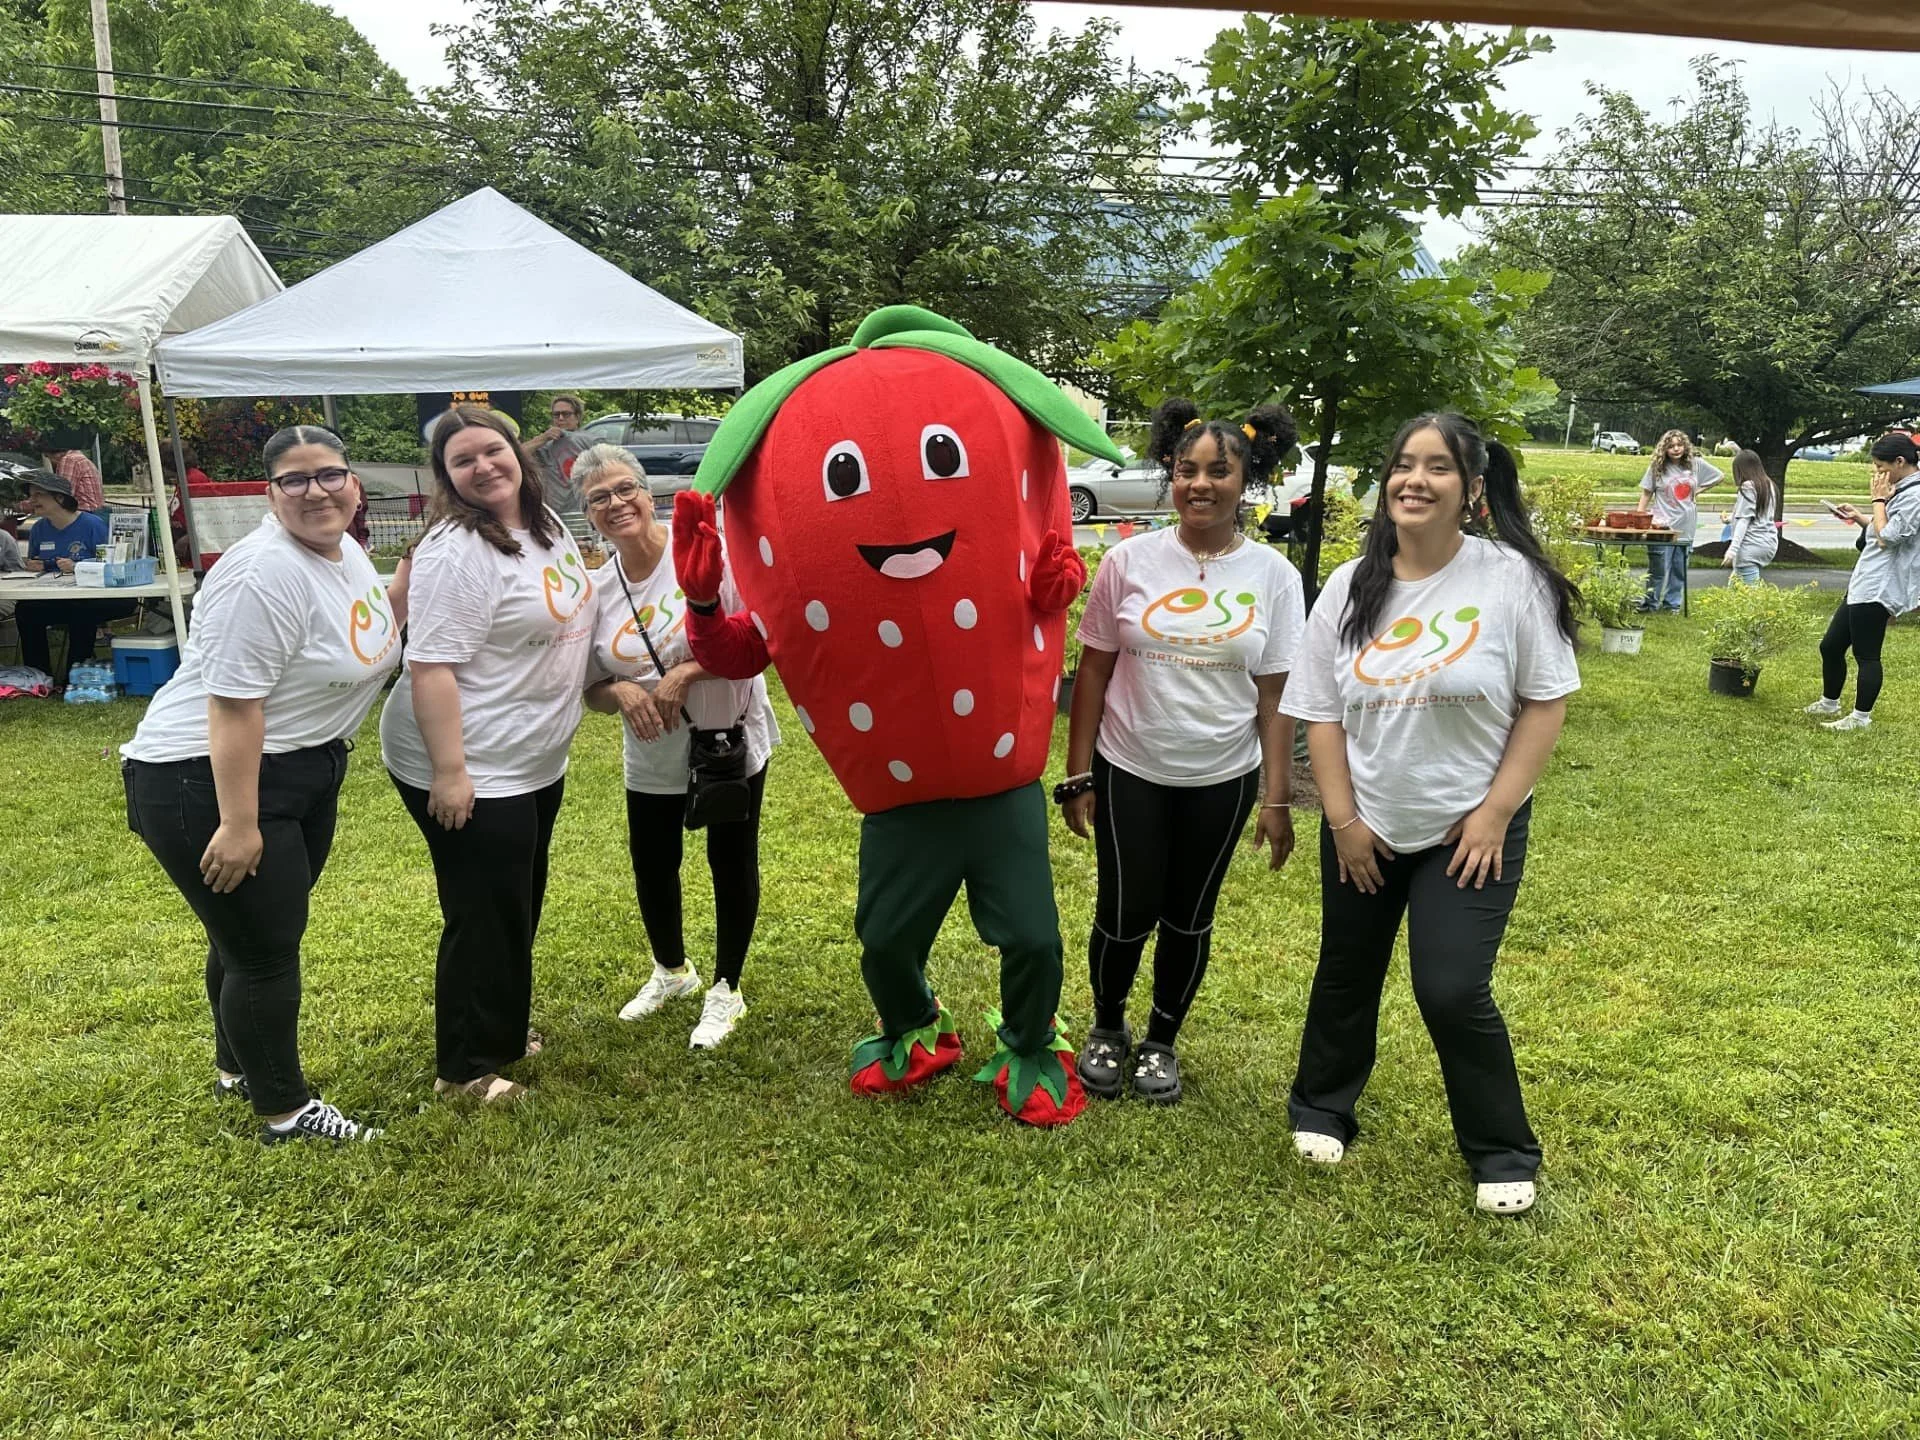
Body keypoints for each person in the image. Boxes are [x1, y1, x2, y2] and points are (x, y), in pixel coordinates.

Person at [1281, 413, 1581, 1217]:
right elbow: (1320, 713)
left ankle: (1502, 1150)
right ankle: (1322, 1105)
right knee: (1348, 970)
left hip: (1468, 828)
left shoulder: (1511, 581)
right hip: (1366, 820)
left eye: (1438, 466)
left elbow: (1545, 702)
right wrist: (1344, 822)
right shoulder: (1350, 584)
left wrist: (1494, 813)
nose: (1415, 480)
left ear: (1473, 488)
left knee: (1450, 988)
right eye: (1404, 465)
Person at [120, 426, 399, 1144]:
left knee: (245, 935)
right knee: (266, 951)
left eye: (329, 474)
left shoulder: (344, 552)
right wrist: (238, 824)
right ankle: (286, 1111)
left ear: (354, 485)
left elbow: (362, 629)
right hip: (205, 777)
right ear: (270, 495)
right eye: (294, 480)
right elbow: (234, 706)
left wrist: (413, 579)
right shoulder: (260, 573)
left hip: (303, 768)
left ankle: (237, 1069)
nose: (316, 491)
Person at [1061, 398, 1305, 1104]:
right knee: (1124, 907)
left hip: (1222, 777)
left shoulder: (1274, 577)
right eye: (1186, 470)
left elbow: (1275, 697)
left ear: (1247, 479)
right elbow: (1094, 670)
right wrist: (1078, 773)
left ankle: (1161, 1040)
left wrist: (1277, 797)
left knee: (1188, 914)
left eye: (1219, 472)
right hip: (1129, 765)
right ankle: (1108, 1028)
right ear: (1171, 474)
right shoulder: (1128, 560)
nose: (1200, 484)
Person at [379, 405, 596, 1104]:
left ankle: (498, 1028)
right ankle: (465, 1069)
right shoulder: (457, 550)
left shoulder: (544, 524)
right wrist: (451, 773)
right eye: (462, 460)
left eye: (491, 450)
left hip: (529, 754)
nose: (482, 467)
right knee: (483, 911)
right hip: (468, 758)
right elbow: (430, 667)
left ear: (517, 453)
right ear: (447, 478)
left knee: (516, 899)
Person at [576, 444, 780, 1049]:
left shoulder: (704, 554)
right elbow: (590, 689)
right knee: (653, 862)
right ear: (587, 514)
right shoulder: (596, 588)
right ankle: (671, 970)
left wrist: (688, 672)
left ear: (647, 493)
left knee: (730, 859)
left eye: (625, 489)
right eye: (598, 498)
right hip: (652, 751)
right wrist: (620, 691)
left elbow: (760, 639)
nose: (616, 503)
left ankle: (727, 988)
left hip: (726, 738)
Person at [1806, 431, 1920, 732]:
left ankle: (1860, 717)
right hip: (1865, 580)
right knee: (1831, 646)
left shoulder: (1915, 496)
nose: (1877, 473)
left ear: (1900, 461)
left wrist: (1878, 500)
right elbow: (1882, 528)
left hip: (1881, 585)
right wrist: (1860, 517)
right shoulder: (1903, 489)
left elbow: (1889, 537)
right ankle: (1829, 701)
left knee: (1867, 655)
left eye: (1881, 467)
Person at [15, 468, 135, 686]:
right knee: (26, 610)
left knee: (82, 610)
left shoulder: (92, 525)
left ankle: (75, 674)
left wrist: (79, 566)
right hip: (57, 594)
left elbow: (112, 562)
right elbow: (40, 561)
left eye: (39, 494)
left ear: (60, 498)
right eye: (30, 495)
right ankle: (38, 676)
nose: (32, 500)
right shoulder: (39, 529)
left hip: (99, 596)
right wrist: (37, 565)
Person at [1637, 429, 1722, 612]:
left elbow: (1718, 476)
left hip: (1686, 524)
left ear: (1685, 446)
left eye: (1679, 445)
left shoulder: (1695, 464)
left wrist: (1697, 491)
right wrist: (1639, 518)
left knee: (1679, 568)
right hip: (1662, 525)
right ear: (1664, 449)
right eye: (1671, 446)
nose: (1676, 449)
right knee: (1658, 568)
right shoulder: (1657, 467)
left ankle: (1672, 605)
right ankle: (1650, 604)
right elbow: (1646, 493)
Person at [527, 393, 595, 515]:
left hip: (586, 511)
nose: (561, 418)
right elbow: (515, 455)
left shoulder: (590, 441)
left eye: (566, 414)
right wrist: (543, 438)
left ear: (577, 417)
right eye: (556, 415)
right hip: (554, 514)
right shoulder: (546, 445)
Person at [1721, 449, 1779, 584]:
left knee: (1750, 593)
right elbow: (1759, 514)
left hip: (1750, 545)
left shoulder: (1748, 487)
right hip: (1768, 542)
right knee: (1734, 589)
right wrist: (1730, 519)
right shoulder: (1768, 485)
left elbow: (1744, 520)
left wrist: (1732, 550)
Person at [43, 438, 104, 512]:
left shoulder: (69, 460)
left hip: (84, 511)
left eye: (48, 456)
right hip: (96, 511)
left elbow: (63, 495)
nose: (51, 461)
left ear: (55, 453)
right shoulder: (79, 457)